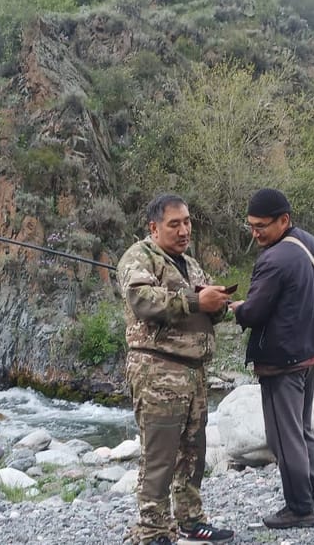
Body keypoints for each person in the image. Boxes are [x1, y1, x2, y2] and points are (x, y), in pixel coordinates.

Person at [117, 193, 236, 545]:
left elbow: (202, 307)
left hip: (194, 373)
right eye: (174, 224)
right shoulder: (139, 257)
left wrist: (217, 304)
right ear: (154, 228)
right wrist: (197, 300)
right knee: (159, 455)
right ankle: (152, 529)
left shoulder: (190, 263)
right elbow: (141, 300)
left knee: (193, 452)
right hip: (157, 371)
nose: (184, 230)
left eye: (187, 222)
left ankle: (191, 520)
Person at [228, 188, 314, 530]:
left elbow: (254, 314)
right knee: (302, 428)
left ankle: (300, 508)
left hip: (283, 359)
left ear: (284, 220)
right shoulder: (310, 242)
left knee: (283, 435)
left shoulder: (273, 260)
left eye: (261, 226)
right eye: (251, 226)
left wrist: (235, 308)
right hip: (310, 351)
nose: (255, 233)